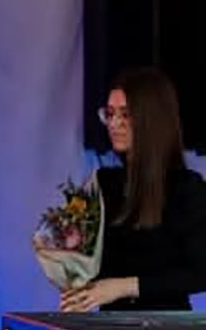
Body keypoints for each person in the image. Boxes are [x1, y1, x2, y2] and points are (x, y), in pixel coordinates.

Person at [60, 67, 206, 312]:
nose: (114, 123)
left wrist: (125, 287)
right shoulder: (103, 183)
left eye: (125, 114)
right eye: (110, 114)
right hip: (110, 321)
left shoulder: (185, 189)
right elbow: (83, 261)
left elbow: (200, 273)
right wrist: (77, 285)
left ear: (152, 119)